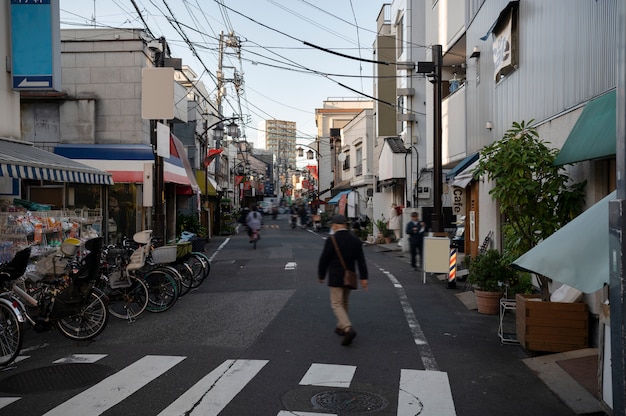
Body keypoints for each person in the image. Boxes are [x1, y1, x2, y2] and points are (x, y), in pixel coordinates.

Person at [318, 214, 368, 346]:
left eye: (332, 225)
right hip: (349, 276)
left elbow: (324, 259)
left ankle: (347, 327)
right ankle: (340, 326)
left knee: (336, 303)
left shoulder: (332, 240)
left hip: (335, 276)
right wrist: (364, 278)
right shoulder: (355, 240)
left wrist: (321, 275)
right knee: (344, 302)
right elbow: (361, 260)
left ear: (335, 225)